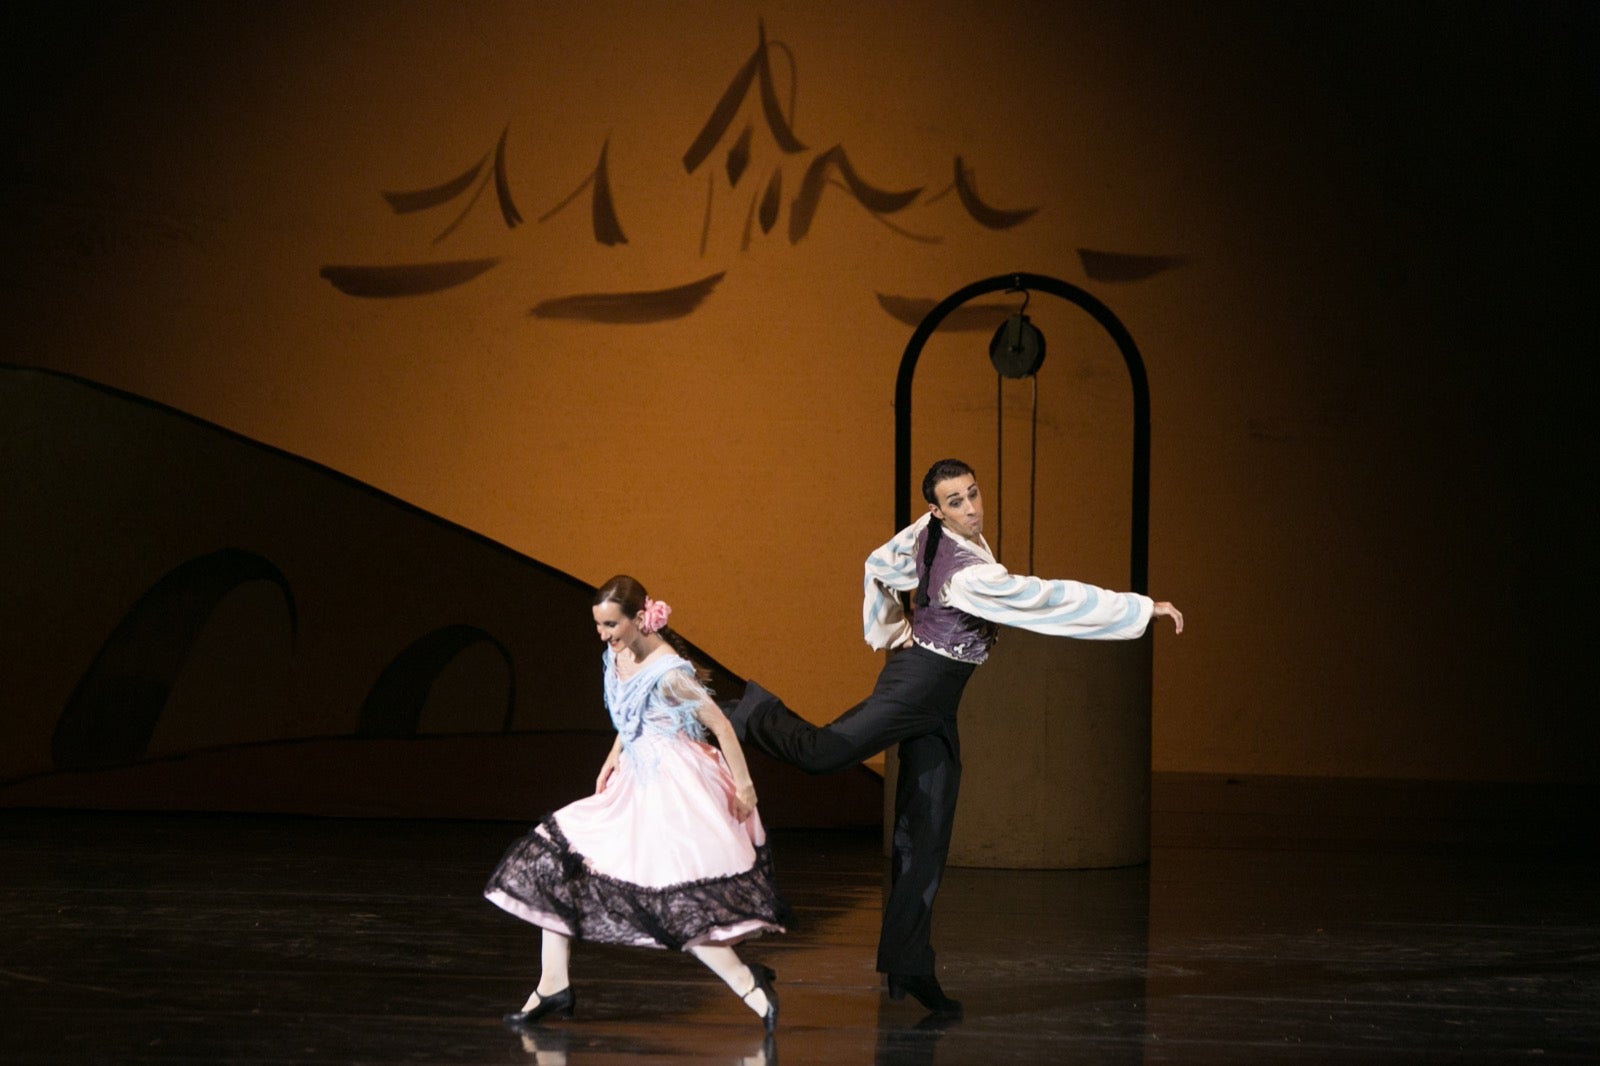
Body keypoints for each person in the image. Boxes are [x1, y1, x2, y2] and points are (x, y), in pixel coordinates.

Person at [724, 459, 1182, 1017]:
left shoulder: (929, 530)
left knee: (927, 833)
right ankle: (737, 709)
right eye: (957, 502)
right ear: (938, 509)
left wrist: (902, 622)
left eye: (973, 495)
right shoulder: (970, 575)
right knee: (824, 753)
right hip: (916, 688)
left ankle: (909, 963)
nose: (971, 509)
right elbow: (1049, 599)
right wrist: (1140, 608)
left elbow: (880, 561)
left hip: (938, 704)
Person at [484, 575, 787, 1032]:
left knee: (673, 902)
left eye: (611, 625)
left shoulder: (669, 673)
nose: (603, 634)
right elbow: (629, 717)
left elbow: (722, 728)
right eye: (599, 625)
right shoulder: (618, 652)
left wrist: (745, 789)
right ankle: (553, 984)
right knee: (556, 861)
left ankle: (750, 985)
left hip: (672, 787)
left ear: (639, 619)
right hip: (634, 782)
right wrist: (612, 759)